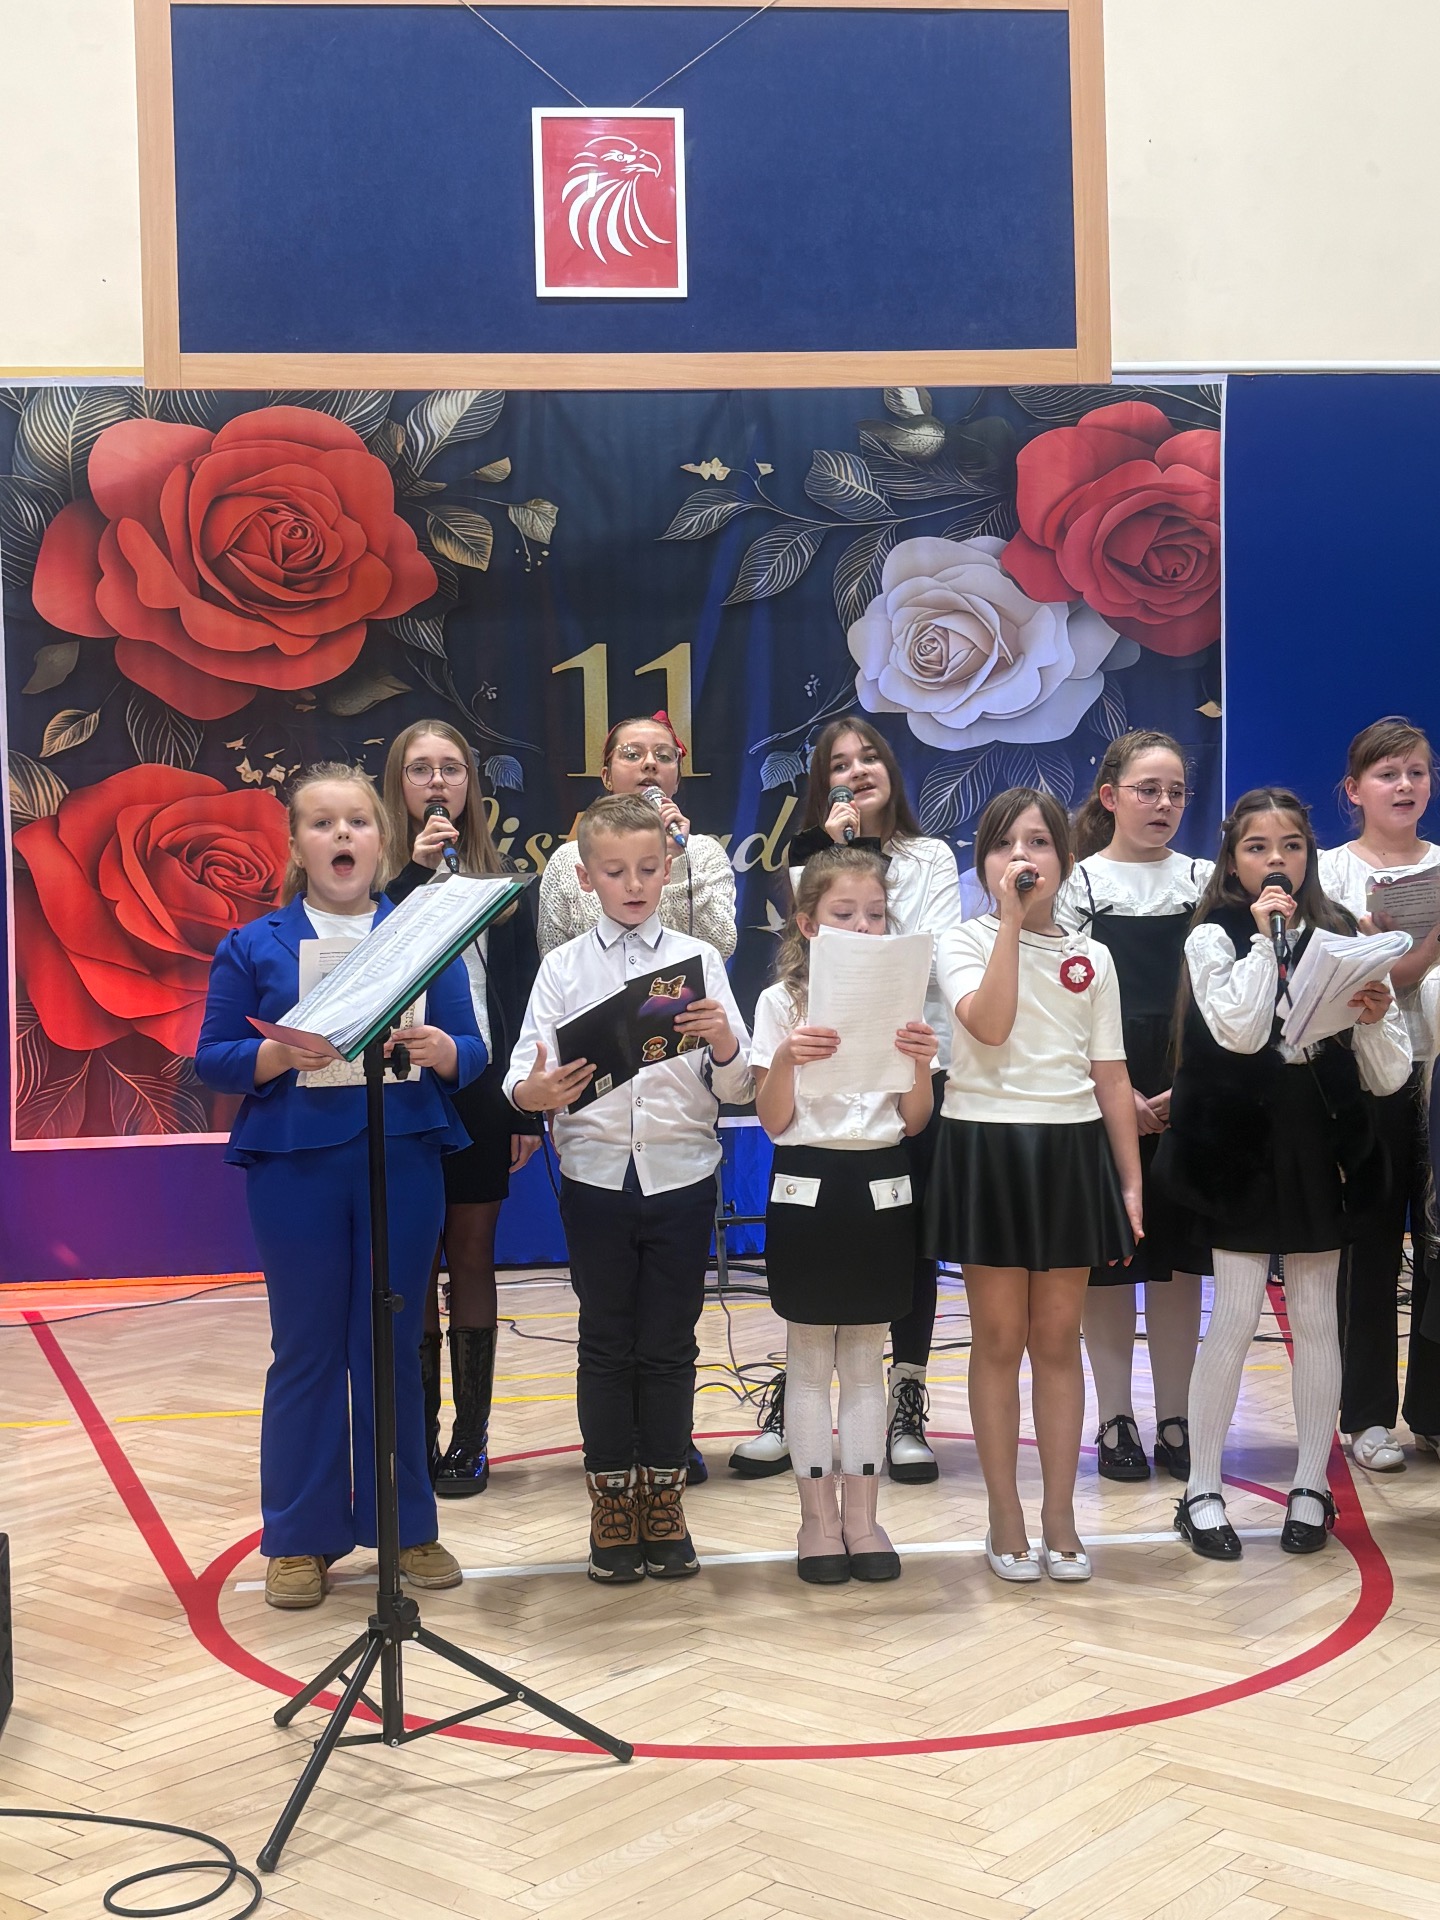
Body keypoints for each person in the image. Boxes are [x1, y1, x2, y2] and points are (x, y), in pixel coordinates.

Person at [195, 764, 485, 1610]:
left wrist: (443, 1051)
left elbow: (472, 1049)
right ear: (296, 845)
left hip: (403, 1156)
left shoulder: (421, 936)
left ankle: (407, 1526)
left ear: (381, 838)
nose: (342, 835)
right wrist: (276, 1053)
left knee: (392, 1343)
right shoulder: (255, 944)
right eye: (322, 824)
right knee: (307, 1347)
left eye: (357, 821)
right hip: (294, 1165)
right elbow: (212, 1057)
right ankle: (298, 1537)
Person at [1156, 789, 1410, 1562]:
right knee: (1234, 1316)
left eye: (1292, 846)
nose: (1277, 861)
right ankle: (1202, 1489)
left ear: (1309, 854)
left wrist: (1374, 1017)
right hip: (1239, 1143)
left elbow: (1390, 1074)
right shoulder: (1213, 935)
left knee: (1316, 1316)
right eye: (1259, 847)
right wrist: (1269, 944)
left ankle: (1310, 1485)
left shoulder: (1343, 933)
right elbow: (1237, 1030)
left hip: (1317, 1140)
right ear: (1234, 859)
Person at [505, 793, 752, 1583]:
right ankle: (612, 1501)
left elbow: (740, 1085)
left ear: (669, 868)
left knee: (671, 1343)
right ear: (586, 879)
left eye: (648, 868)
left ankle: (664, 1499)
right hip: (595, 1177)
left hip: (683, 1174)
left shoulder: (698, 961)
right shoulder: (563, 968)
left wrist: (725, 1043)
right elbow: (522, 1075)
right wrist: (534, 1094)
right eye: (615, 871)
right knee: (607, 1342)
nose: (635, 883)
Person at [731, 717, 963, 1483]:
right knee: (814, 1301)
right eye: (839, 762)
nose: (857, 771)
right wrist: (830, 849)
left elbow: (928, 953)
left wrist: (883, 961)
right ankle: (798, 1418)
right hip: (815, 1128)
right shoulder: (813, 856)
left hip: (907, 1060)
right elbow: (815, 954)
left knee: (905, 1255)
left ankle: (905, 1403)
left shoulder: (928, 857)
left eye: (869, 757)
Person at [927, 788, 1142, 1584]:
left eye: (1039, 843)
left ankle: (1060, 1514)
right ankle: (1004, 1515)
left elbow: (1110, 1075)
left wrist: (1129, 1183)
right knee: (998, 1339)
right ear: (983, 862)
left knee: (1057, 1340)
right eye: (1004, 844)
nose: (1022, 857)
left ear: (1065, 860)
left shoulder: (1095, 957)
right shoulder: (961, 941)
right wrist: (1012, 926)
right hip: (986, 1145)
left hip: (1070, 1150)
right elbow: (988, 1023)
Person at [751, 846, 938, 1583]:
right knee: (808, 1358)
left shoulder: (902, 1001)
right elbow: (772, 1119)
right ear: (808, 923)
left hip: (881, 1180)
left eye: (875, 914)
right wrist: (787, 1061)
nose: (863, 926)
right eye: (844, 913)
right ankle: (816, 1520)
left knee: (865, 1359)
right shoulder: (779, 1004)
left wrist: (919, 1061)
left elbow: (915, 1120)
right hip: (807, 1179)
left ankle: (862, 1517)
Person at [381, 719, 543, 1497]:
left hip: (480, 1082)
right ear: (398, 785)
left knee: (472, 1254)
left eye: (451, 768)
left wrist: (523, 1109)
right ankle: (416, 1436)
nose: (437, 782)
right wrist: (412, 874)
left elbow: (520, 1000)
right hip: (402, 1082)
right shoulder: (376, 882)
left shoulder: (501, 890)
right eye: (421, 769)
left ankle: (470, 1439)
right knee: (413, 1259)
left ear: (470, 786)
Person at [1058, 731, 1212, 1484]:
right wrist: (1114, 1095)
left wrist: (1193, 1086)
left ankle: (1176, 1417)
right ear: (1110, 796)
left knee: (1178, 1264)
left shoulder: (1207, 882)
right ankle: (1115, 1416)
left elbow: (1224, 998)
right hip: (1102, 1088)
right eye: (1148, 789)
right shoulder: (1078, 887)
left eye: (1176, 791)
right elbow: (1063, 1007)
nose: (1164, 804)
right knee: (1110, 1264)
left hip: (1190, 1089)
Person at [1318, 718, 1440, 1472]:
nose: (1405, 785)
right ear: (1354, 789)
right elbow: (1322, 979)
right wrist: (1404, 954)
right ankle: (1365, 1415)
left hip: (1438, 1074)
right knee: (1367, 1245)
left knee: (1439, 1246)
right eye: (1388, 773)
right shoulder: (1329, 873)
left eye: (1417, 772)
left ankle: (1434, 1412)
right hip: (1365, 1080)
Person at [537, 711, 737, 959]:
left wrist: (675, 860)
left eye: (664, 756)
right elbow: (555, 959)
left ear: (676, 781)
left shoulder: (703, 853)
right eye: (632, 754)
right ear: (606, 777)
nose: (650, 763)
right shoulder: (568, 859)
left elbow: (720, 947)